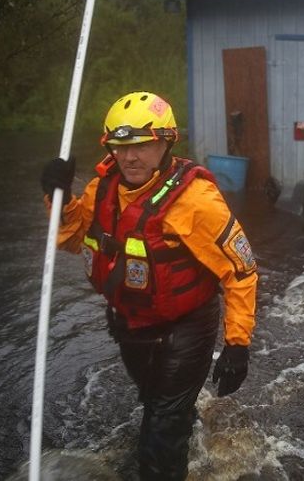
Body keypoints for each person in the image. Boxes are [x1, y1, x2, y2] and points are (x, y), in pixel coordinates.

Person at [40, 91, 258, 480]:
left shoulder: (197, 200)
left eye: (141, 145)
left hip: (187, 325)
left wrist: (237, 344)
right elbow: (71, 238)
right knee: (155, 402)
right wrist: (59, 196)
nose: (129, 157)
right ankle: (182, 421)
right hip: (132, 323)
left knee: (158, 437)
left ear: (166, 142)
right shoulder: (102, 189)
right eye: (120, 146)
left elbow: (241, 270)